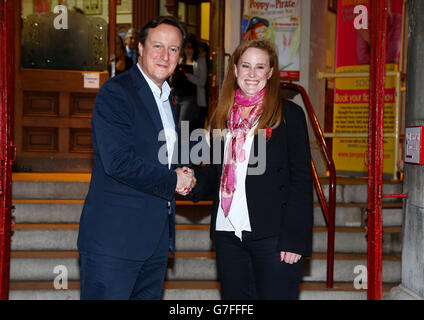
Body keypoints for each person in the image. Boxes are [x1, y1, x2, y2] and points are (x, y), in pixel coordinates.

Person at [77, 16, 196, 300]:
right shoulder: (116, 92)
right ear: (140, 49)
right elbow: (118, 161)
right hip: (114, 243)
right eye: (157, 46)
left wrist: (185, 172)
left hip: (154, 242)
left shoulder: (168, 98)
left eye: (173, 48)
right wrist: (172, 179)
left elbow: (161, 158)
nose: (164, 55)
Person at [188, 40, 313, 300]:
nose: (252, 74)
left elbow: (300, 179)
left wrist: (294, 239)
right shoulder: (220, 116)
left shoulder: (289, 114)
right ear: (235, 69)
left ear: (270, 72)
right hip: (228, 234)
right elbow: (215, 173)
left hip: (273, 235)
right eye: (246, 66)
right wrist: (189, 182)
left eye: (260, 67)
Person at [171, 34, 200, 132]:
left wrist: (189, 76)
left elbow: (201, 81)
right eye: (186, 48)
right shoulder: (180, 60)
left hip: (189, 98)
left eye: (190, 48)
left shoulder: (197, 63)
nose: (188, 50)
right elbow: (173, 79)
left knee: (182, 126)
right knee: (174, 124)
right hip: (176, 96)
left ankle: (182, 146)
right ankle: (177, 146)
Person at [186, 41, 210, 130]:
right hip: (193, 98)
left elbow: (201, 81)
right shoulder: (196, 60)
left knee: (194, 125)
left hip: (199, 99)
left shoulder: (201, 60)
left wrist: (189, 76)